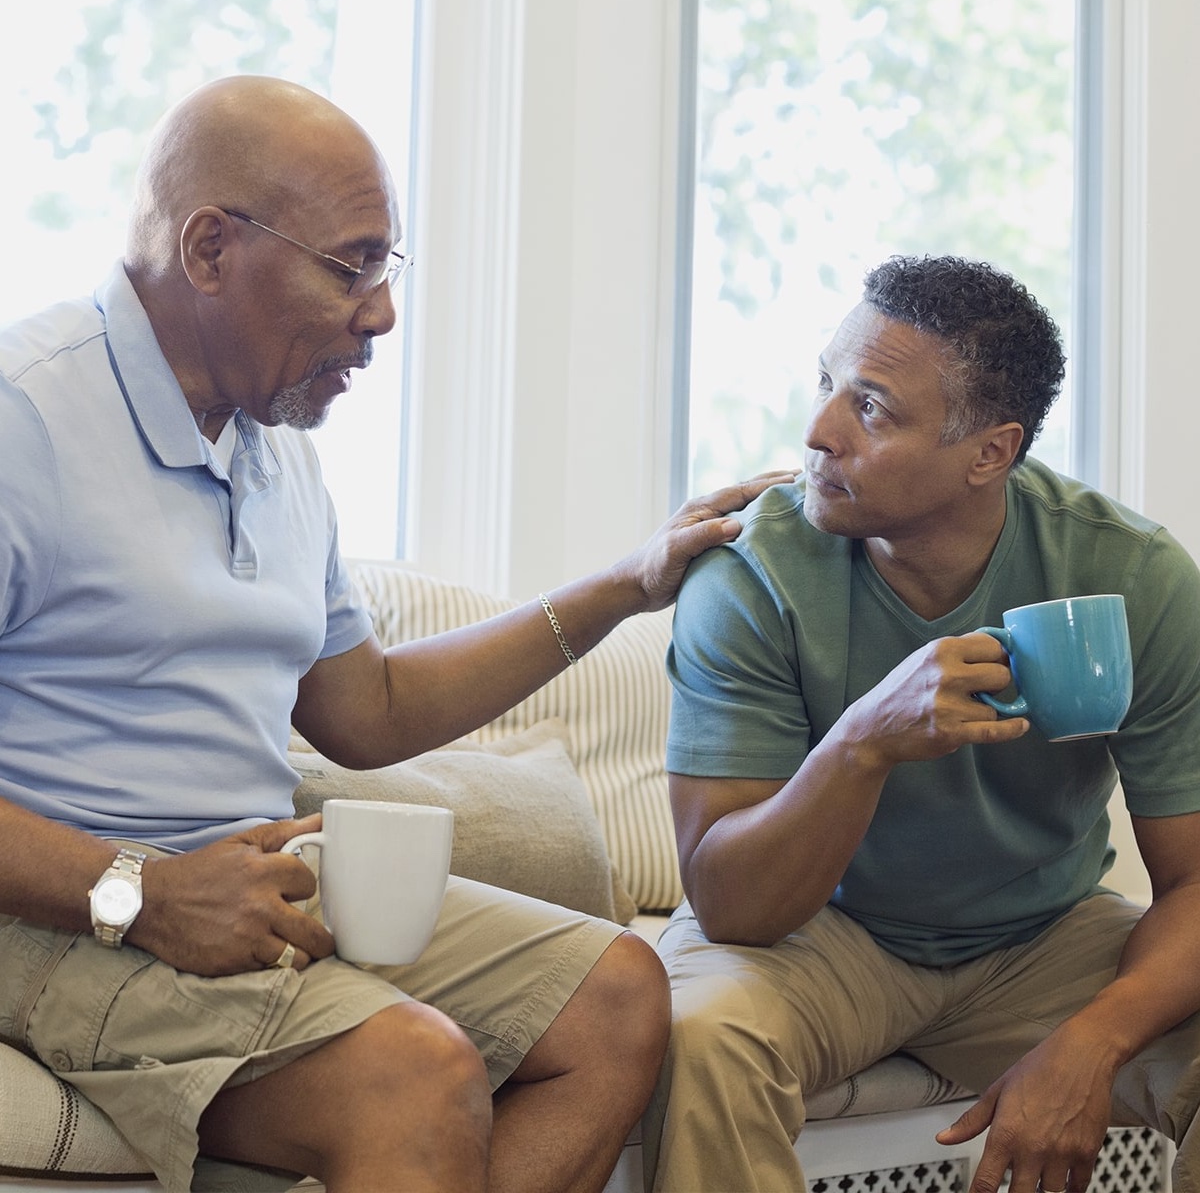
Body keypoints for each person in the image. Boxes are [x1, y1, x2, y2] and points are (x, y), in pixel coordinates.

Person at [0, 75, 789, 1193]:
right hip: (60, 911)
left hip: (247, 884)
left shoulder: (277, 449)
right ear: (211, 248)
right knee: (414, 1073)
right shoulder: (23, 419)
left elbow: (364, 711)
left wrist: (626, 583)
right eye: (351, 264)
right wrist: (145, 893)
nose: (380, 312)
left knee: (616, 997)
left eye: (387, 267)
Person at [644, 254, 1200, 1193]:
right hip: (815, 939)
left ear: (990, 452)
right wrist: (863, 742)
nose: (817, 433)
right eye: (826, 384)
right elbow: (733, 905)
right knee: (699, 1035)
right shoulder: (751, 573)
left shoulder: (1132, 578)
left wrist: (1093, 1040)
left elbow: (1194, 882)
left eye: (870, 407)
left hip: (1043, 937)